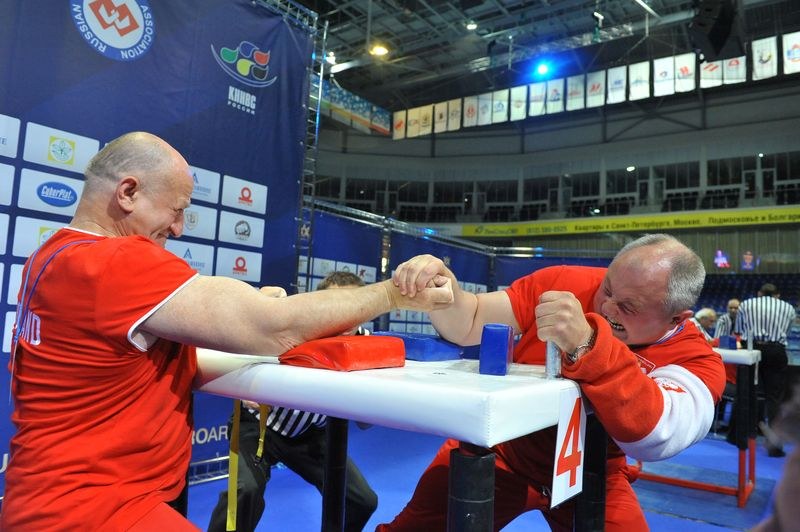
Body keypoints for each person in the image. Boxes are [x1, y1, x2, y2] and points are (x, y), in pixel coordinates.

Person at [0, 132, 453, 531]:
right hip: (95, 509)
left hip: (51, 494)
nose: (178, 228)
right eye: (176, 210)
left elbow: (144, 358)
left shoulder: (54, 254)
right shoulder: (118, 261)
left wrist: (258, 312)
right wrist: (395, 295)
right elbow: (274, 329)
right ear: (128, 192)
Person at [380, 233, 726, 531]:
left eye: (628, 307)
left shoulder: (695, 359)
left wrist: (589, 345)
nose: (606, 307)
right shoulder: (564, 283)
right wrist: (445, 291)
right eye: (607, 288)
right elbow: (469, 321)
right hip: (503, 449)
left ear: (675, 318)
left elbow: (655, 437)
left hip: (592, 471)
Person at [207, 271, 378, 532]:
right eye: (334, 305)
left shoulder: (367, 344)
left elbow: (366, 421)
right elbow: (240, 338)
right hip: (259, 425)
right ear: (317, 303)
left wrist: (365, 398)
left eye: (352, 307)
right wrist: (246, 380)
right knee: (245, 492)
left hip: (311, 436)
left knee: (361, 501)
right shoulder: (296, 325)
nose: (344, 316)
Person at [735, 283, 797, 457]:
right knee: (774, 398)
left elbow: (738, 331)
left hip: (751, 350)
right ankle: (775, 445)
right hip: (776, 350)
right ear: (777, 295)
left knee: (747, 393)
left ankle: (741, 437)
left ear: (759, 293)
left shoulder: (746, 304)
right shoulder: (788, 307)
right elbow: (786, 331)